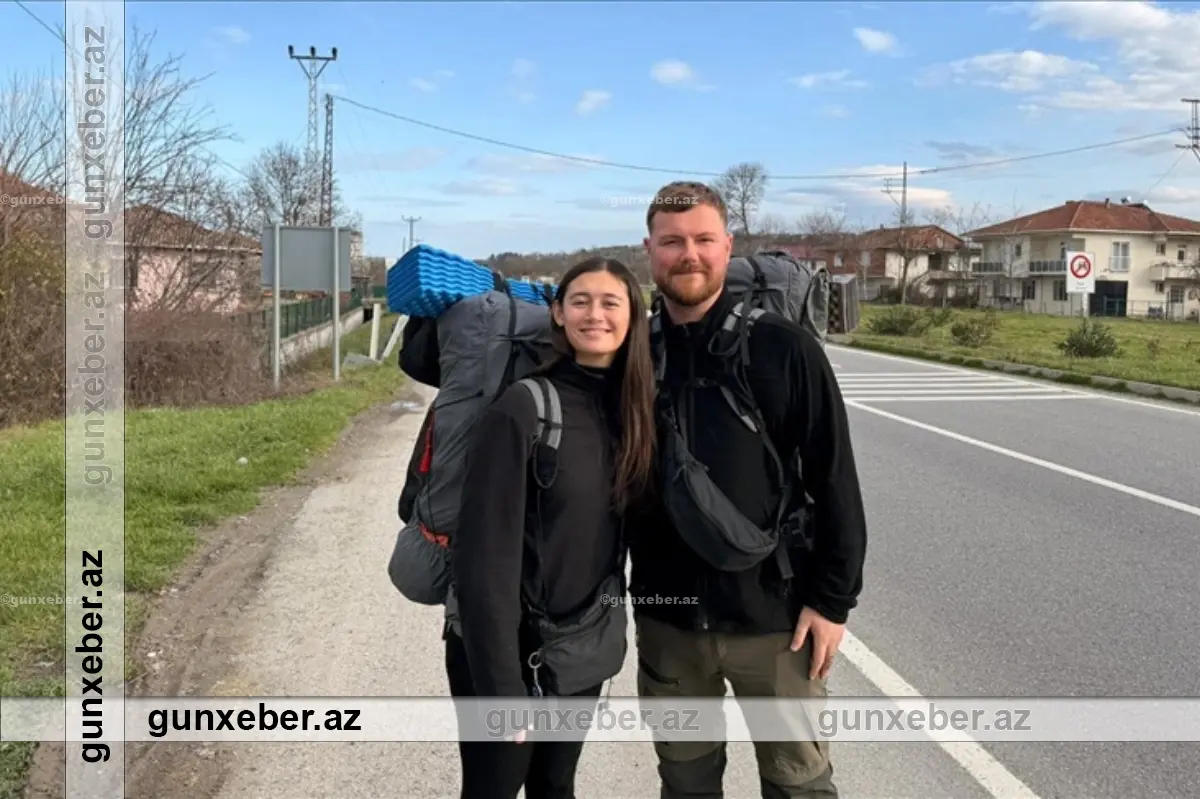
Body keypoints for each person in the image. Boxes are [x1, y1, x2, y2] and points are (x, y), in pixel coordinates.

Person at [629, 181, 869, 799]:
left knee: (798, 786)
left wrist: (833, 603)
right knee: (685, 784)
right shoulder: (632, 354)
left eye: (704, 239)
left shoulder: (782, 348)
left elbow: (834, 478)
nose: (689, 254)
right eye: (672, 241)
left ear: (727, 246)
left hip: (778, 621)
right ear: (649, 250)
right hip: (668, 621)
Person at [447, 256, 658, 799]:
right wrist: (501, 688)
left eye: (611, 302)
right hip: (503, 649)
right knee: (494, 787)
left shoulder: (632, 410)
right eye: (580, 301)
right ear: (558, 314)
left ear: (633, 315)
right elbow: (481, 560)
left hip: (578, 648)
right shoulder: (523, 408)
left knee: (555, 784)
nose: (595, 314)